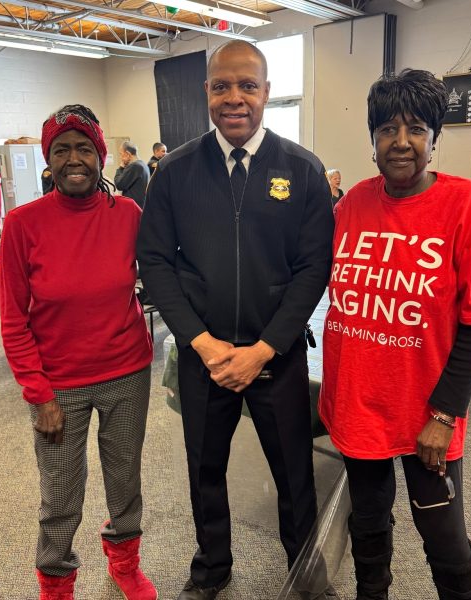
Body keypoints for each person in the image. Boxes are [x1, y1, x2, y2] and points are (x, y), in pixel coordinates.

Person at [137, 40, 334, 600]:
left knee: (295, 477)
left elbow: (313, 267)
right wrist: (200, 342)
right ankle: (212, 568)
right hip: (205, 357)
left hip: (277, 354)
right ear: (206, 93)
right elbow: (154, 261)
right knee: (206, 472)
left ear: (266, 93)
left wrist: (266, 347)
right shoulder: (174, 173)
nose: (234, 98)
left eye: (248, 85)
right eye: (221, 85)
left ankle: (304, 572)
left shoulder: (302, 170)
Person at [318, 69, 471, 600]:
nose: (401, 142)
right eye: (387, 129)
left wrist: (443, 415)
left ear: (434, 139)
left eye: (415, 129)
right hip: (359, 401)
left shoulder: (466, 205)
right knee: (368, 523)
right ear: (372, 141)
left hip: (426, 409)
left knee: (444, 536)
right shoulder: (352, 204)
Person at [0, 104, 156, 600]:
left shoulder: (126, 213)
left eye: (84, 148)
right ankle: (57, 582)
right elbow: (12, 319)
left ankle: (124, 562)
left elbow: (160, 274)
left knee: (124, 480)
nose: (74, 159)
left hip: (127, 372)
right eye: (62, 149)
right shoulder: (24, 225)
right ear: (48, 160)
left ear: (101, 157)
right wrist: (37, 392)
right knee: (61, 497)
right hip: (57, 385)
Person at [114, 142, 150, 209]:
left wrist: (121, 167)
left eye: (121, 154)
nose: (120, 158)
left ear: (127, 154)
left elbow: (119, 184)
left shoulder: (134, 166)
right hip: (141, 206)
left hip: (134, 208)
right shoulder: (143, 164)